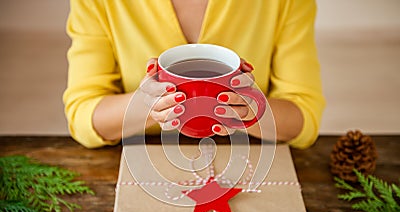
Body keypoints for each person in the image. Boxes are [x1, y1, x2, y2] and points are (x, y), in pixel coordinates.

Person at [63, 0, 325, 149]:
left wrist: (251, 112)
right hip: (138, 161)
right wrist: (145, 104)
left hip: (250, 160)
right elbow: (83, 114)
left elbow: (304, 117)